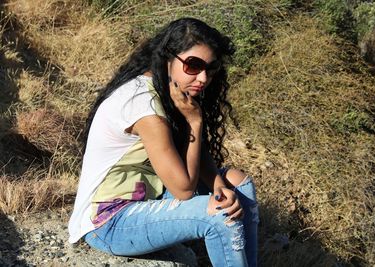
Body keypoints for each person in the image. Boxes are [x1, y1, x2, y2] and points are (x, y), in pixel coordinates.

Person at [68, 17, 259, 267]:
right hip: (109, 221)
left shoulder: (166, 87)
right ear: (169, 58)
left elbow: (193, 155)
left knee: (237, 184)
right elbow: (183, 189)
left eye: (209, 69)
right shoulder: (144, 106)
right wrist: (195, 122)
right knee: (219, 214)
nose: (202, 78)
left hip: (147, 198)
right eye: (193, 65)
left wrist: (219, 185)